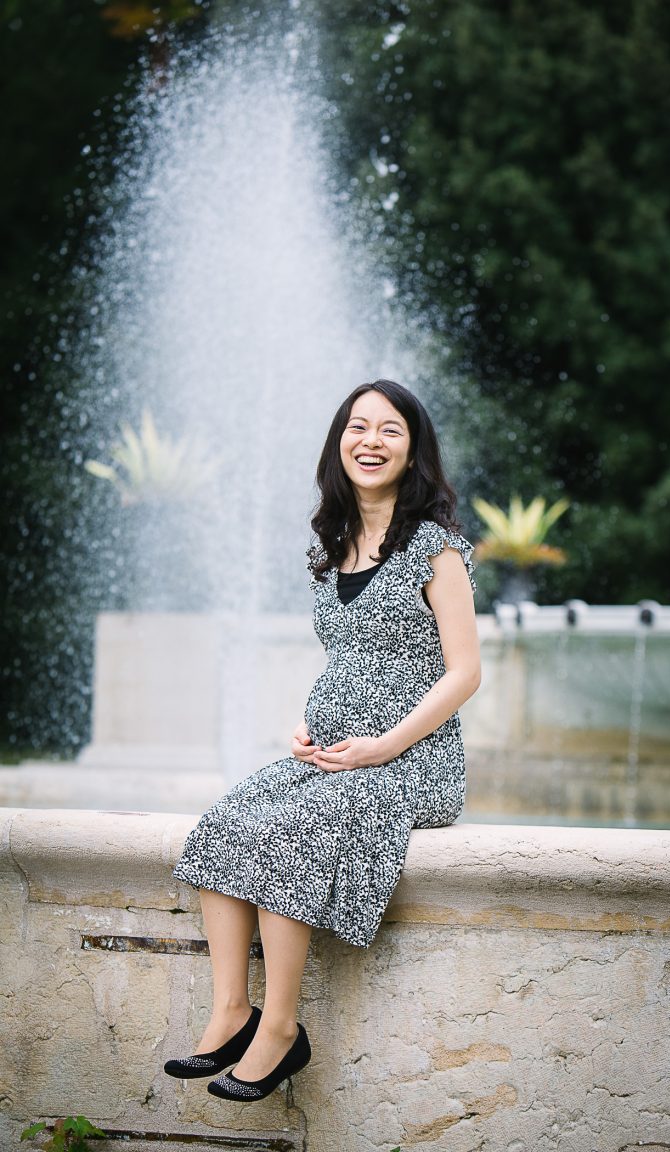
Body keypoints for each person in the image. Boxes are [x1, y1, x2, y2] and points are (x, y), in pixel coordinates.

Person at [165, 379, 481, 1102]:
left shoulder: (435, 549)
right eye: (357, 427)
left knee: (293, 829)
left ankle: (281, 1029)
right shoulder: (333, 545)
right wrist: (310, 727)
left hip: (413, 763)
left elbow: (465, 673)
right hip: (334, 755)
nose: (371, 441)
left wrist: (381, 747)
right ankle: (231, 1011)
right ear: (339, 444)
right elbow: (350, 658)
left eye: (390, 430)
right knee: (225, 821)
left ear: (414, 452)